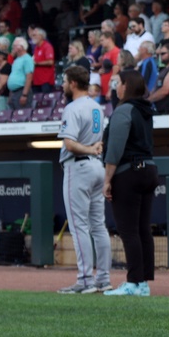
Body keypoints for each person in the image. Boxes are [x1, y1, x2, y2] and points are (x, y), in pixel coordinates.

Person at [102, 71, 157, 296]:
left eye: (118, 82)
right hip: (149, 169)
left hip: (128, 172)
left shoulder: (124, 110)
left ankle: (134, 282)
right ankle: (143, 283)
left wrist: (107, 180)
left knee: (129, 230)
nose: (116, 86)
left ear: (126, 86)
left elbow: (114, 149)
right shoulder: (146, 110)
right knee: (143, 229)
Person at [56, 65, 110, 295]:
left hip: (78, 167)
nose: (63, 85)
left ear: (74, 84)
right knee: (98, 226)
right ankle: (103, 279)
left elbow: (69, 143)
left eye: (65, 81)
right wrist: (92, 149)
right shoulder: (97, 106)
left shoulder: (73, 107)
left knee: (80, 227)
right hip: (97, 167)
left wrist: (87, 149)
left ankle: (86, 280)